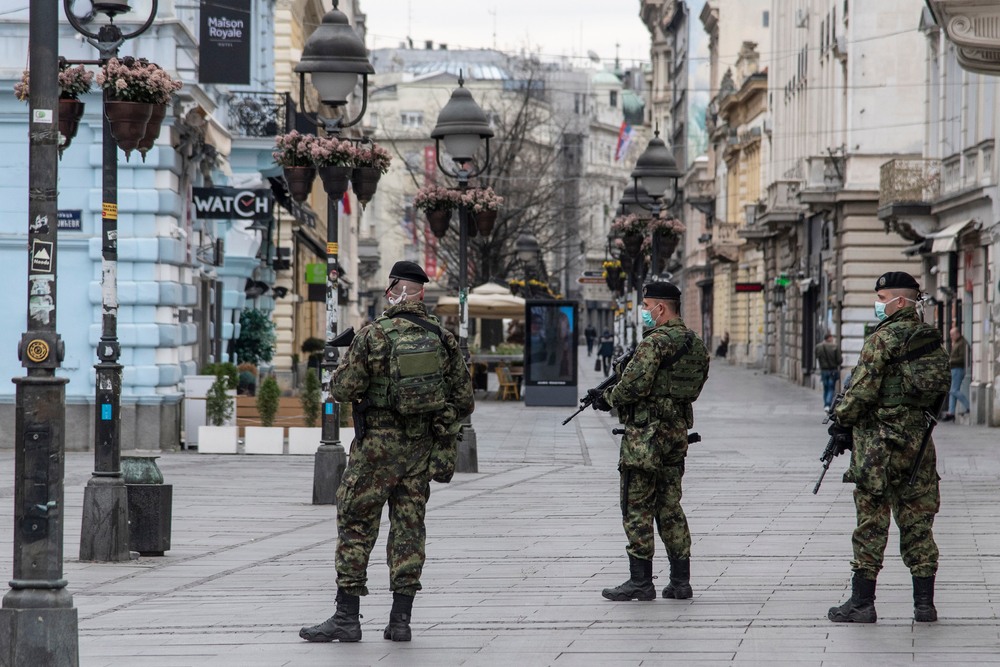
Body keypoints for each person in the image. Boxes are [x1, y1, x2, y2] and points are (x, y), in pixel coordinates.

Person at [299, 261, 474, 643]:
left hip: (375, 452)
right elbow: (464, 400)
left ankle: (347, 617)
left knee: (356, 525)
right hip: (419, 451)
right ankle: (400, 621)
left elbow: (343, 389)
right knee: (409, 529)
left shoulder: (373, 335)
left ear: (393, 290)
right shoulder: (444, 340)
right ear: (422, 293)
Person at [826, 271, 950, 624]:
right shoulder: (930, 338)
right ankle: (924, 604)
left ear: (899, 302)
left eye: (881, 298)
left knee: (871, 521)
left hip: (879, 446)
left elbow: (862, 391)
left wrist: (841, 417)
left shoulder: (883, 338)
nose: (877, 305)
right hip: (919, 443)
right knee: (918, 522)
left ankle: (862, 603)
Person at [591, 282, 710, 602]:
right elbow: (694, 390)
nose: (644, 312)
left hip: (645, 438)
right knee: (670, 506)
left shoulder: (654, 344)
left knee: (636, 505)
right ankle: (680, 581)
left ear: (661, 308)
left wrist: (606, 398)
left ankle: (640, 581)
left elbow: (631, 387)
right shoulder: (696, 344)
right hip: (676, 436)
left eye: (646, 306)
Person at [941, 327, 970, 421]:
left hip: (958, 368)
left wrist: (950, 361)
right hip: (954, 368)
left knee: (954, 390)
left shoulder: (962, 343)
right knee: (952, 391)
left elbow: (962, 358)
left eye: (952, 335)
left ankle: (968, 406)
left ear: (957, 333)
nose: (951, 337)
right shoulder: (957, 342)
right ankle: (951, 412)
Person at [815, 333, 843, 412]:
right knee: (831, 388)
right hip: (832, 370)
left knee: (826, 388)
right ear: (830, 338)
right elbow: (839, 360)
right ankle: (828, 404)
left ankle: (826, 405)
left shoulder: (818, 347)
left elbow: (817, 356)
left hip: (824, 370)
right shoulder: (835, 347)